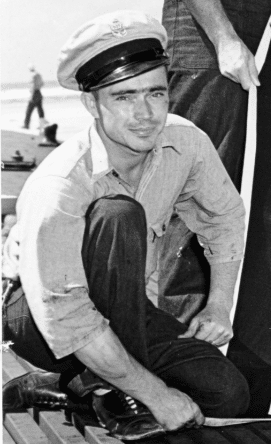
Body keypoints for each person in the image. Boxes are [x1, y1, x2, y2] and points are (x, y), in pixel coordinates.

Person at [2, 10, 250, 441]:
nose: (144, 114)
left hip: (126, 311)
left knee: (226, 395)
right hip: (40, 319)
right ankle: (105, 382)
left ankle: (76, 387)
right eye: (123, 97)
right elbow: (65, 313)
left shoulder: (185, 143)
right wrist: (157, 396)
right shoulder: (61, 183)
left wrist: (218, 304)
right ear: (91, 104)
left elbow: (224, 217)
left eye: (155, 94)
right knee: (118, 215)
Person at [161, 0, 271, 416]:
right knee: (195, 197)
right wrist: (222, 35)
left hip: (264, 32)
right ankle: (182, 375)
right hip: (211, 33)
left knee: (264, 212)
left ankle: (248, 387)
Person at [22, 64, 46, 129]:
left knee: (28, 111)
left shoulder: (33, 75)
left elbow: (33, 86)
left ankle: (26, 125)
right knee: (40, 110)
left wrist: (31, 96)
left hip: (34, 94)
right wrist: (38, 88)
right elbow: (42, 84)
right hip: (39, 93)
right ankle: (42, 125)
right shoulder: (38, 75)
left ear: (30, 69)